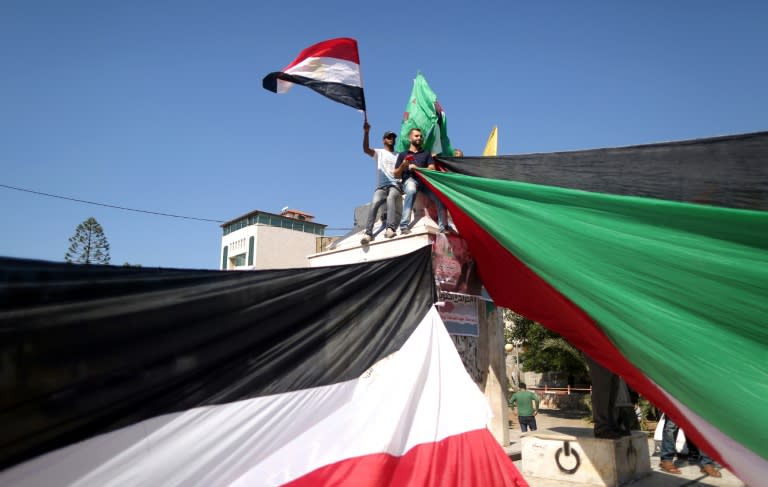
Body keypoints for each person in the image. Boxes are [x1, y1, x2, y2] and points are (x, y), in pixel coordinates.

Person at [393, 127, 448, 234]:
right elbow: (395, 174)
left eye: (421, 136)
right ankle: (404, 225)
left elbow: (432, 168)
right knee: (411, 189)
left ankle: (443, 226)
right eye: (416, 136)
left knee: (440, 196)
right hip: (410, 180)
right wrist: (403, 165)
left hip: (425, 182)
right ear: (410, 138)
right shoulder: (403, 154)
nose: (419, 138)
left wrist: (417, 168)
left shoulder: (426, 153)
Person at [360, 122, 401, 244]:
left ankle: (390, 228)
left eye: (393, 137)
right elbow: (366, 149)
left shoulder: (398, 155)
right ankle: (368, 233)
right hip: (381, 187)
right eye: (389, 137)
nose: (391, 139)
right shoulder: (379, 152)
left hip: (395, 185)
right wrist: (366, 132)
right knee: (374, 203)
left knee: (391, 199)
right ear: (384, 140)